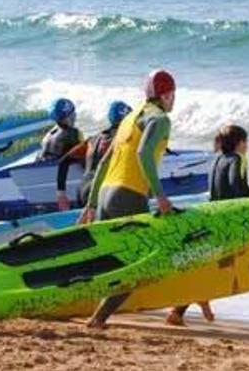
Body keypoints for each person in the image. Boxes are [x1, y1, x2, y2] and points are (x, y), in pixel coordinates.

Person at [80, 70, 177, 329]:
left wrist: (90, 205)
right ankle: (99, 319)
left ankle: (95, 314)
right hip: (129, 195)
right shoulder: (160, 120)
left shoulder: (128, 120)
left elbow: (102, 163)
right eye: (173, 95)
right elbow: (144, 153)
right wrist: (160, 196)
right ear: (167, 95)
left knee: (112, 262)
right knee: (139, 265)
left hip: (104, 194)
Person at [165, 123, 249, 326]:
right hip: (228, 220)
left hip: (213, 216)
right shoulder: (238, 159)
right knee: (218, 267)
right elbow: (237, 186)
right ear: (240, 143)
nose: (247, 146)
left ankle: (192, 303)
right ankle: (182, 308)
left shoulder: (218, 160)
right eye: (246, 142)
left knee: (209, 263)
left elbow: (216, 191)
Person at [55, 100, 131, 211]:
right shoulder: (125, 139)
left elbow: (63, 161)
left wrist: (61, 194)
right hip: (101, 191)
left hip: (82, 191)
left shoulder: (92, 140)